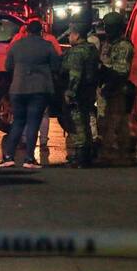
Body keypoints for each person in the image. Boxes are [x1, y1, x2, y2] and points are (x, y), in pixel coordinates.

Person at [0, 19, 60, 169]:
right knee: (33, 122)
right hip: (39, 89)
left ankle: (8, 157)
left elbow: (7, 66)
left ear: (26, 31)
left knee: (18, 122)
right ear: (41, 31)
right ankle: (29, 158)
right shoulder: (47, 46)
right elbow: (56, 66)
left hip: (18, 88)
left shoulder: (17, 45)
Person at [97, 11, 134, 164]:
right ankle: (109, 152)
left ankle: (118, 154)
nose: (106, 30)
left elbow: (121, 71)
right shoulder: (109, 43)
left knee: (116, 123)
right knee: (106, 122)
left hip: (117, 89)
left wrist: (104, 72)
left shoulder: (123, 46)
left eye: (108, 27)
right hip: (106, 88)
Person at [61, 22, 99, 168]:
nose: (69, 37)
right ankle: (86, 155)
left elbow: (75, 75)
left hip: (78, 92)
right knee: (85, 122)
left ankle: (81, 158)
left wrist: (70, 93)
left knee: (77, 124)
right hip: (89, 91)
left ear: (76, 35)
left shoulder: (77, 52)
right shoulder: (91, 49)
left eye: (70, 34)